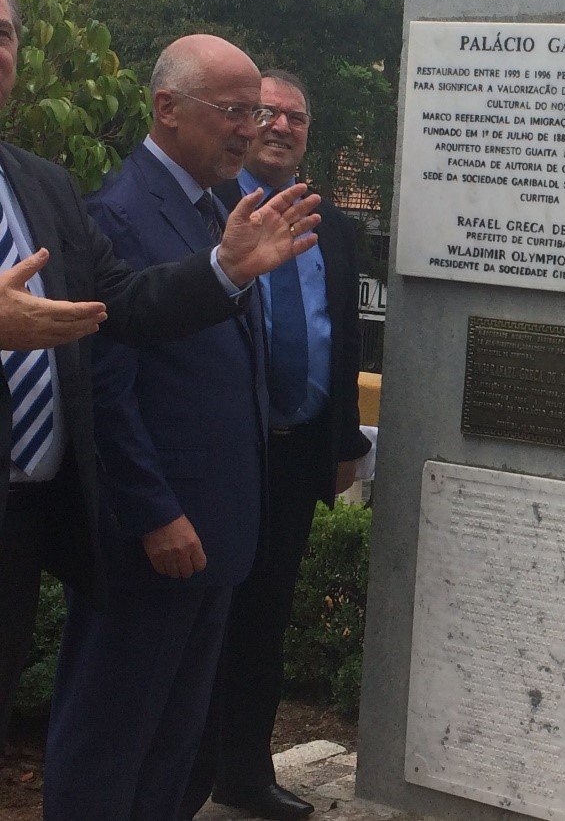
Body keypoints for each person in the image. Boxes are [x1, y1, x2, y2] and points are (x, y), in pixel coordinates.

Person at [0, 0, 320, 750]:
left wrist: (222, 272)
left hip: (22, 523)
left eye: (3, 34)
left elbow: (122, 307)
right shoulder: (116, 202)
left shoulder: (40, 185)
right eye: (233, 110)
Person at [181, 70, 370, 821]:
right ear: (240, 120)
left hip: (296, 456)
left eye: (296, 117)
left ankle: (244, 773)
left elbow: (341, 340)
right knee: (207, 619)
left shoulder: (334, 227)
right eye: (266, 112)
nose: (281, 126)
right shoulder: (206, 216)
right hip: (224, 452)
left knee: (266, 619)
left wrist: (344, 439)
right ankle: (183, 776)